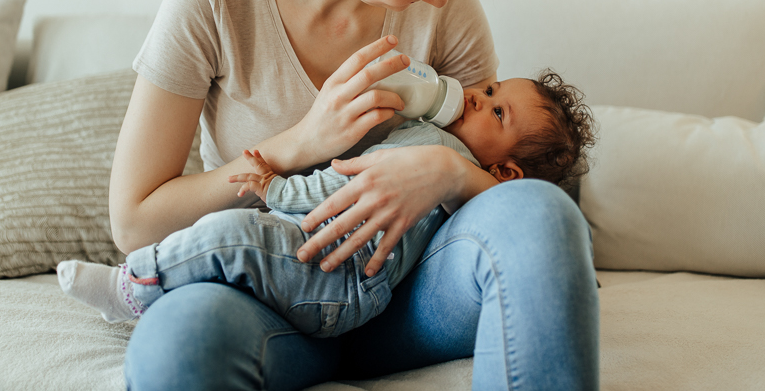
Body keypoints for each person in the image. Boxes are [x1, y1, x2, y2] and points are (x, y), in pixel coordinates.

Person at [108, 0, 600, 391]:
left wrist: (448, 171)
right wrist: (298, 144)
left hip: (411, 293)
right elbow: (135, 222)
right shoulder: (212, 4)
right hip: (269, 292)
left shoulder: (450, 9)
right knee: (176, 348)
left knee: (543, 214)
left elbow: (497, 184)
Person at [58, 72, 596, 338]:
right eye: (491, 87)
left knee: (239, 234)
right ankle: (161, 286)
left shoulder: (440, 152)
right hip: (344, 281)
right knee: (237, 250)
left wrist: (272, 187)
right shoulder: (433, 138)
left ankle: (132, 287)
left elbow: (337, 186)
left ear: (505, 172)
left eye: (498, 112)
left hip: (336, 273)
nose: (478, 95)